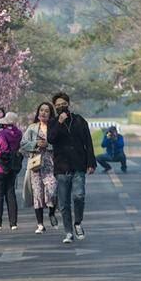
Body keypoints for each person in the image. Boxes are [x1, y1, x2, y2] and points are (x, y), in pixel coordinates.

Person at [47, 92, 96, 244]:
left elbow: (88, 142)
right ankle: (68, 232)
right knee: (64, 203)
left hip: (78, 165)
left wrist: (91, 162)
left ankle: (78, 223)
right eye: (58, 105)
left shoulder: (79, 120)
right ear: (55, 108)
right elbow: (51, 139)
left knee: (79, 196)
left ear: (68, 104)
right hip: (61, 167)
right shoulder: (53, 122)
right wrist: (59, 123)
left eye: (64, 104)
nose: (61, 107)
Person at [21, 102, 59, 233]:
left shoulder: (54, 128)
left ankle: (52, 213)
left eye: (46, 111)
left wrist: (48, 145)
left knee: (52, 189)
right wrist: (35, 144)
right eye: (41, 110)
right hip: (36, 165)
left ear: (51, 114)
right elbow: (23, 145)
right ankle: (40, 224)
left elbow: (60, 146)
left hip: (51, 165)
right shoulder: (32, 128)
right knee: (38, 194)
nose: (43, 113)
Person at [0, 112, 23, 231]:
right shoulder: (18, 133)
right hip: (12, 166)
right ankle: (13, 223)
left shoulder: (2, 133)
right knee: (10, 194)